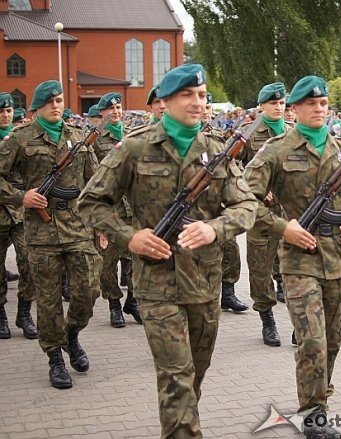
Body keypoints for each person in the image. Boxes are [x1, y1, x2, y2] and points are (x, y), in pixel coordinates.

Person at [79, 64, 257, 437]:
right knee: (176, 376)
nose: (198, 103)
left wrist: (214, 227)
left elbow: (247, 207)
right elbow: (91, 202)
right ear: (166, 100)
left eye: (202, 96)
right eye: (187, 95)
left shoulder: (217, 151)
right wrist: (130, 236)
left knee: (194, 373)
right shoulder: (135, 146)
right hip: (156, 283)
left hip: (205, 283)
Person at [243, 75, 341, 438]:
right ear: (295, 109)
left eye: (323, 104)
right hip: (297, 259)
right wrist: (282, 227)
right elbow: (243, 198)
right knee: (311, 341)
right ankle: (313, 414)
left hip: (338, 258)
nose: (319, 109)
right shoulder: (275, 150)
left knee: (332, 342)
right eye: (311, 104)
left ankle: (321, 399)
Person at [0, 80, 101, 389]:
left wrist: (101, 224)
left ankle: (72, 334)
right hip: (40, 233)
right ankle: (55, 357)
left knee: (88, 291)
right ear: (38, 107)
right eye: (51, 101)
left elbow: (95, 181)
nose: (57, 105)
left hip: (77, 229)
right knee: (47, 302)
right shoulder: (20, 139)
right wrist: (21, 197)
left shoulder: (78, 138)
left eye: (60, 100)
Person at [239, 82, 292, 347]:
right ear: (262, 106)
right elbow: (233, 172)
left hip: (292, 214)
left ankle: (299, 322)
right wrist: (257, 191)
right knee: (260, 270)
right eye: (273, 103)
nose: (278, 108)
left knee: (296, 268)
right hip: (261, 214)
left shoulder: (295, 133)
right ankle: (267, 319)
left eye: (282, 103)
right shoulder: (248, 135)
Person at [94, 92, 141, 326]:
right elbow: (91, 180)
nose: (115, 111)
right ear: (101, 113)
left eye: (119, 107)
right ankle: (114, 303)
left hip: (134, 209)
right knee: (107, 262)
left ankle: (132, 301)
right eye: (110, 108)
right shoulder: (94, 141)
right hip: (110, 210)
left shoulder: (132, 136)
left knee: (136, 258)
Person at [0, 92, 37, 340]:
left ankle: (24, 313)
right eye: (1, 111)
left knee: (30, 262)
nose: (5, 115)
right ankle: (1, 314)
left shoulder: (20, 140)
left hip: (20, 214)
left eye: (9, 110)